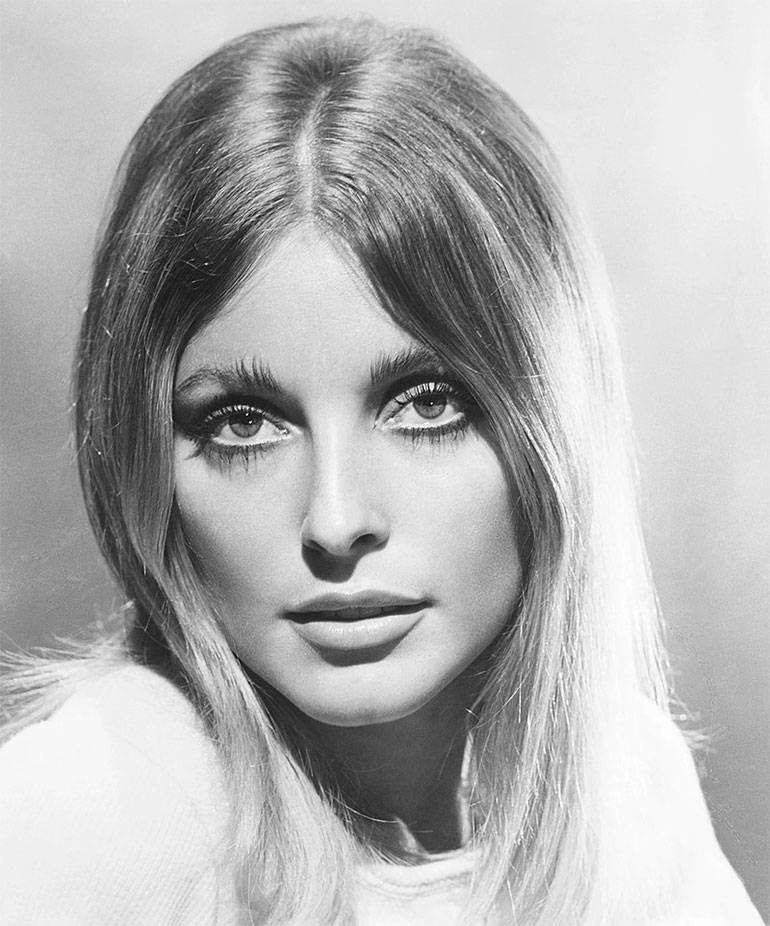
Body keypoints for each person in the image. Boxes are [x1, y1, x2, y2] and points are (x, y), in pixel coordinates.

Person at [0, 17, 761, 926]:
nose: (335, 519)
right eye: (243, 424)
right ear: (140, 460)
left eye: (427, 406)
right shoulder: (90, 818)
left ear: (552, 426)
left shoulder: (628, 797)